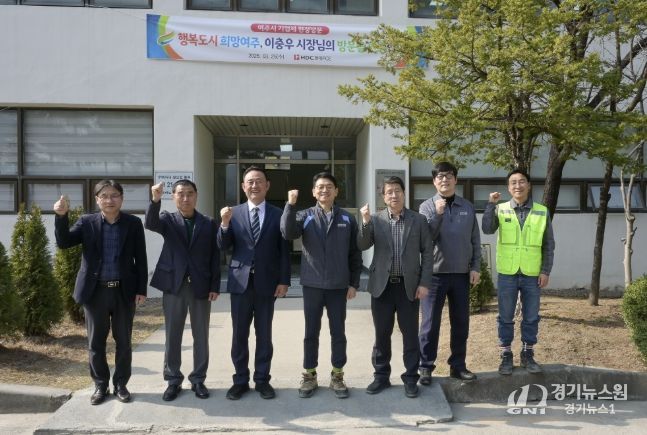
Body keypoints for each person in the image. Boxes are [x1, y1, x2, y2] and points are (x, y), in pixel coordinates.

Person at [53, 180, 148, 405]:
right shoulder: (87, 222)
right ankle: (101, 385)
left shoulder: (133, 223)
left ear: (121, 198)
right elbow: (64, 242)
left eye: (114, 195)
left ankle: (121, 384)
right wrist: (61, 216)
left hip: (123, 292)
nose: (109, 200)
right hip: (95, 292)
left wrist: (141, 289)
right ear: (97, 200)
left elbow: (141, 258)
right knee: (96, 343)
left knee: (124, 341)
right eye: (104, 196)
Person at [281, 172, 362, 399]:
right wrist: (290, 205)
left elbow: (355, 253)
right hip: (313, 284)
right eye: (320, 187)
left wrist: (354, 283)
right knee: (311, 332)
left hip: (338, 285)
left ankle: (337, 375)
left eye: (329, 186)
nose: (324, 190)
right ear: (314, 192)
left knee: (338, 332)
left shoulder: (347, 218)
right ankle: (309, 375)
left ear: (336, 191)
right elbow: (287, 232)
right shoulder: (304, 215)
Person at [218, 166, 290, 401]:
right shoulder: (233, 213)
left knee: (264, 334)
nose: (254, 185)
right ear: (243, 186)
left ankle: (262, 380)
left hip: (267, 283)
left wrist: (284, 280)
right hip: (240, 283)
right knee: (239, 334)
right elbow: (223, 246)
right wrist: (224, 224)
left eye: (259, 181)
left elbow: (284, 251)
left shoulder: (278, 214)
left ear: (267, 185)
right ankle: (240, 380)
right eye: (250, 182)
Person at [358, 176, 432, 398]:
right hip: (382, 287)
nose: (394, 195)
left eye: (397, 191)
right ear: (383, 197)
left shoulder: (418, 220)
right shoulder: (376, 219)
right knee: (382, 334)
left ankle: (410, 378)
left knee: (410, 335)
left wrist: (424, 283)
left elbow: (428, 253)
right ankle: (381, 376)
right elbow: (363, 244)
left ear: (404, 193)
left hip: (408, 287)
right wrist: (365, 221)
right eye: (389, 192)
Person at [146, 179, 220, 401]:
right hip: (174, 285)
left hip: (200, 286)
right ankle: (173, 380)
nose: (185, 198)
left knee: (201, 335)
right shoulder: (167, 220)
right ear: (174, 197)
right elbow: (150, 223)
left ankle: (198, 379)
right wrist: (155, 200)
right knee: (173, 334)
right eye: (181, 194)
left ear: (196, 196)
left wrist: (214, 285)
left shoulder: (208, 223)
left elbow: (215, 256)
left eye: (190, 193)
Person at [482, 169, 555, 375]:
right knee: (505, 316)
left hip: (532, 273)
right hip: (508, 272)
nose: (518, 186)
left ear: (529, 185)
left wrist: (545, 270)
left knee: (531, 316)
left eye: (522, 181)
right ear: (508, 187)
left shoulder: (542, 211)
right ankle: (506, 354)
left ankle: (527, 353)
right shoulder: (501, 208)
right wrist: (490, 205)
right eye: (513, 182)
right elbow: (487, 229)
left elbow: (548, 244)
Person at [418, 162, 481, 384]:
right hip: (434, 275)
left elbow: (475, 239)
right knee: (430, 324)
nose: (444, 180)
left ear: (456, 179)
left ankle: (458, 366)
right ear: (434, 181)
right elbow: (426, 238)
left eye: (448, 176)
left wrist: (475, 267)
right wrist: (437, 214)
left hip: (461, 274)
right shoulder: (426, 206)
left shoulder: (467, 207)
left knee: (461, 323)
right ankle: (425, 367)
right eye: (440, 176)